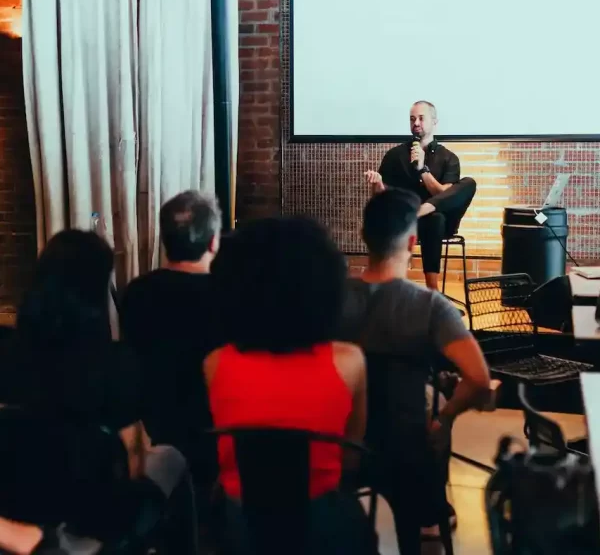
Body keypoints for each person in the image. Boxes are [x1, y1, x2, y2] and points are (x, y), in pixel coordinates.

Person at [0, 230, 196, 552]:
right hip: (95, 523)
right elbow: (135, 458)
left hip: (16, 513)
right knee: (172, 459)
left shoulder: (6, 351)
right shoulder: (117, 365)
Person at [204, 216, 376, 555]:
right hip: (323, 527)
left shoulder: (215, 363)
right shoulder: (349, 361)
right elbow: (351, 459)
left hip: (240, 529)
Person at [338, 188, 491, 552]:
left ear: (364, 237)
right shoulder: (431, 306)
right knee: (437, 412)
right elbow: (479, 381)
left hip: (342, 445)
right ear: (412, 241)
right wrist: (446, 419)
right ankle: (429, 510)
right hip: (406, 448)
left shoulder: (332, 296)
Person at [120, 190, 223, 493]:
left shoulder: (137, 292)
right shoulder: (229, 293)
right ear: (213, 241)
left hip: (157, 425)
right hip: (217, 431)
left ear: (164, 238)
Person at [364, 101, 476, 291]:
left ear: (434, 121)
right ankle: (434, 292)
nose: (416, 122)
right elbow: (383, 200)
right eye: (412, 119)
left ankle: (432, 291)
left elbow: (446, 194)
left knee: (468, 184)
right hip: (406, 222)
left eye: (421, 118)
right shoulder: (395, 155)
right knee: (433, 218)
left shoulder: (449, 158)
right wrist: (377, 184)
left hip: (442, 223)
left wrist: (422, 169)